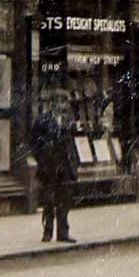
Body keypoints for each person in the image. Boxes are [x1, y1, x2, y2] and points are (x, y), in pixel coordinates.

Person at [28, 91, 78, 242]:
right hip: (49, 166)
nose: (62, 106)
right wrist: (42, 159)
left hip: (64, 165)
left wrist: (74, 163)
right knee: (48, 200)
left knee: (65, 199)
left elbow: (71, 143)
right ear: (52, 104)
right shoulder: (42, 121)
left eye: (64, 102)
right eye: (59, 102)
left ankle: (63, 232)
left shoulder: (68, 120)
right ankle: (47, 231)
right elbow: (34, 144)